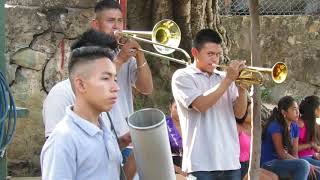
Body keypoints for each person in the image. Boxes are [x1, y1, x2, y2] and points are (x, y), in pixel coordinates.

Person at [43, 1, 154, 179]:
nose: (116, 87)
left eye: (120, 20)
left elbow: (147, 88)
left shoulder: (104, 130)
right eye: (105, 78)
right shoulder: (63, 135)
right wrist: (120, 59)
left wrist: (131, 146)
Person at [41, 46, 130, 179]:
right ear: (81, 85)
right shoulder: (63, 140)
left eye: (115, 79)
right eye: (106, 78)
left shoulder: (106, 132)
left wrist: (139, 152)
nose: (116, 88)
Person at [171, 28, 248, 180]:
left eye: (218, 54)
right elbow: (201, 105)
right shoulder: (182, 76)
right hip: (200, 165)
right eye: (210, 54)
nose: (215, 59)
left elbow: (239, 114)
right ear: (195, 52)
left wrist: (243, 86)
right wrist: (228, 81)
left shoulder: (225, 77)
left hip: (230, 162)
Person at [261, 96, 310, 180]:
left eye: (298, 109)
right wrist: (305, 164)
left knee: (315, 168)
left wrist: (306, 164)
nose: (298, 112)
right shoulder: (275, 126)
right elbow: (281, 154)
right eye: (294, 109)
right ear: (284, 112)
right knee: (304, 165)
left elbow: (295, 154)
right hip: (269, 163)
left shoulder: (294, 126)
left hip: (283, 162)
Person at [236, 99, 278, 180]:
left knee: (274, 177)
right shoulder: (238, 127)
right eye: (249, 112)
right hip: (240, 166)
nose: (253, 114)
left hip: (251, 164)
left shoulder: (256, 129)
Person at [297, 95, 320, 178]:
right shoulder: (299, 124)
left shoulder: (314, 125)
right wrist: (310, 144)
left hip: (312, 156)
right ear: (314, 109)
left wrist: (317, 152)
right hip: (300, 158)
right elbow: (292, 148)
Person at [166, 99, 187, 177]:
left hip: (191, 169)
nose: (179, 111)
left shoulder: (189, 124)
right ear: (170, 107)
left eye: (181, 108)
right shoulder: (163, 126)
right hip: (172, 170)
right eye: (176, 107)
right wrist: (179, 170)